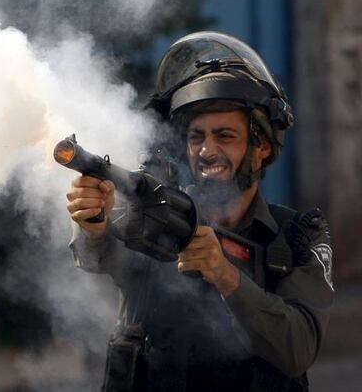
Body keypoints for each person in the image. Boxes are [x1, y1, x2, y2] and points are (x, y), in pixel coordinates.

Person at [66, 32, 333, 391]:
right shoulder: (156, 216)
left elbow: (297, 350)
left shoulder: (298, 236)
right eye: (197, 137)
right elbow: (101, 258)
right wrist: (92, 223)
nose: (207, 151)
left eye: (224, 136)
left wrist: (226, 275)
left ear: (262, 148)